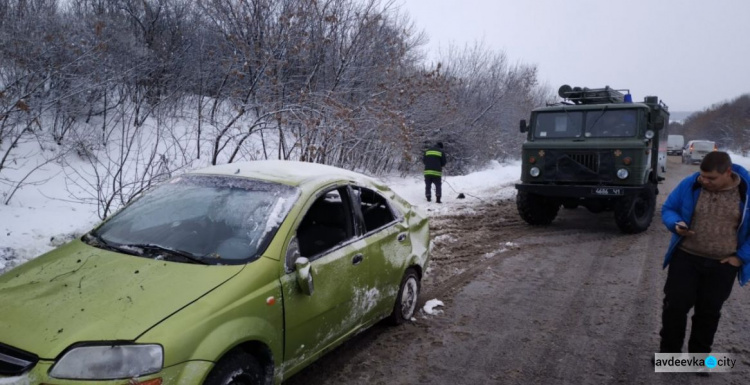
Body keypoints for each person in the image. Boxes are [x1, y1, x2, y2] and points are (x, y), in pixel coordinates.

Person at [659, 151, 750, 355]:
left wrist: (740, 258)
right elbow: (668, 208)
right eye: (702, 176)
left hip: (723, 264)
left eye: (711, 178)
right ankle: (669, 354)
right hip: (686, 257)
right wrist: (676, 223)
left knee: (708, 313)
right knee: (674, 307)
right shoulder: (691, 183)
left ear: (728, 172)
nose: (704, 181)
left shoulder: (746, 191)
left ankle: (699, 358)